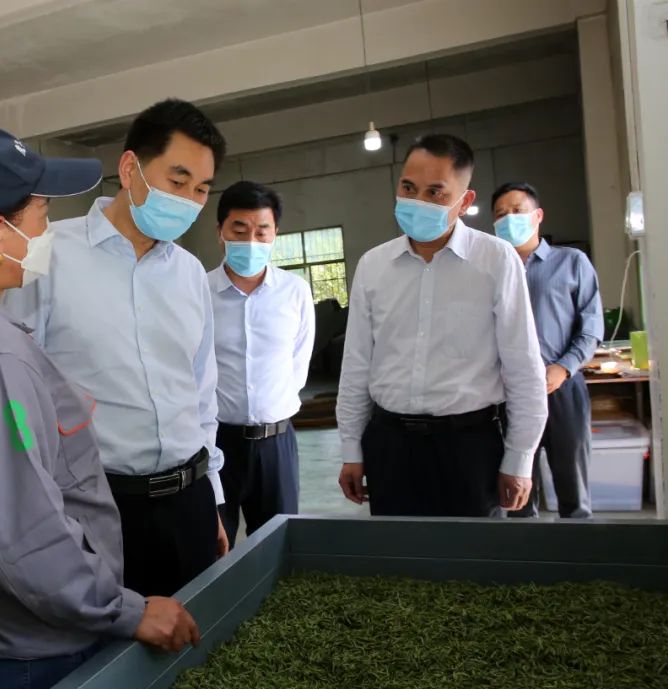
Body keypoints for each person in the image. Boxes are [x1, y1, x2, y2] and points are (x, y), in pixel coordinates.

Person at [0, 126, 199, 689]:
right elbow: (24, 536)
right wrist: (127, 611)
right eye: (41, 215)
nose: (47, 232)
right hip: (26, 651)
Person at [6, 99, 229, 597]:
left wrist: (212, 497)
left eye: (201, 189)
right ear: (130, 169)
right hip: (99, 508)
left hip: (190, 499)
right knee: (112, 640)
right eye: (177, 181)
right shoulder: (48, 257)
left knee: (199, 633)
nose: (189, 200)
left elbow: (202, 395)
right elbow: (17, 394)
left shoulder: (190, 274)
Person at [336, 134, 548, 517]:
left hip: (469, 446)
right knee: (396, 551)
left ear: (464, 202)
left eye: (435, 192)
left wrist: (520, 458)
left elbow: (523, 367)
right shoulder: (373, 266)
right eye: (408, 188)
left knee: (473, 552)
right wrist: (351, 449)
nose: (418, 201)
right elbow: (356, 365)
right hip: (390, 446)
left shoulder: (495, 260)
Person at [208, 181, 314, 546]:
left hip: (276, 444)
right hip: (217, 442)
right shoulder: (198, 292)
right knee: (214, 546)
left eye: (261, 231)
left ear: (275, 234)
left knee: (280, 545)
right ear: (220, 231)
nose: (251, 241)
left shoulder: (295, 292)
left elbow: (298, 364)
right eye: (239, 231)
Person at [492, 182, 604, 518]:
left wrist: (564, 368)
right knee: (517, 490)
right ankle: (525, 545)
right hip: (509, 395)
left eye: (517, 211)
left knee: (573, 483)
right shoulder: (492, 272)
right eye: (500, 214)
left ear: (538, 215)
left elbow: (591, 327)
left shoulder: (572, 262)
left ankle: (578, 541)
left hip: (562, 388)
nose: (508, 219)